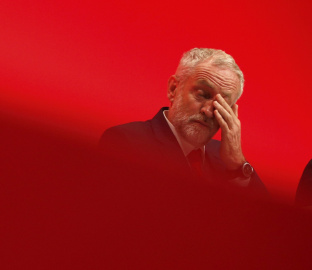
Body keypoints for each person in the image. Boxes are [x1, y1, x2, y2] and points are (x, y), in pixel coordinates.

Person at [99, 48, 267, 194]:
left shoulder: (229, 160)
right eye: (203, 94)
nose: (208, 111)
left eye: (222, 104)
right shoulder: (126, 142)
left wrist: (238, 166)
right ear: (174, 89)